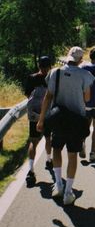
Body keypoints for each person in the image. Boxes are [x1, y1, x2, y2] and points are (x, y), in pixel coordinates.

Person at [37, 46, 95, 205]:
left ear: (68, 56)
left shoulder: (55, 72)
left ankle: (58, 184)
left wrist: (41, 120)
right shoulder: (85, 75)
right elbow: (88, 98)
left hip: (59, 118)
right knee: (72, 155)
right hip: (77, 120)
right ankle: (69, 192)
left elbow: (48, 97)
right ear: (81, 60)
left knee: (56, 149)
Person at [25, 56, 52, 187]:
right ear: (50, 66)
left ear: (39, 66)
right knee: (48, 138)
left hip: (34, 115)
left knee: (33, 141)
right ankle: (48, 160)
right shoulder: (51, 78)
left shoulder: (31, 78)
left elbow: (27, 95)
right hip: (47, 114)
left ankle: (30, 170)